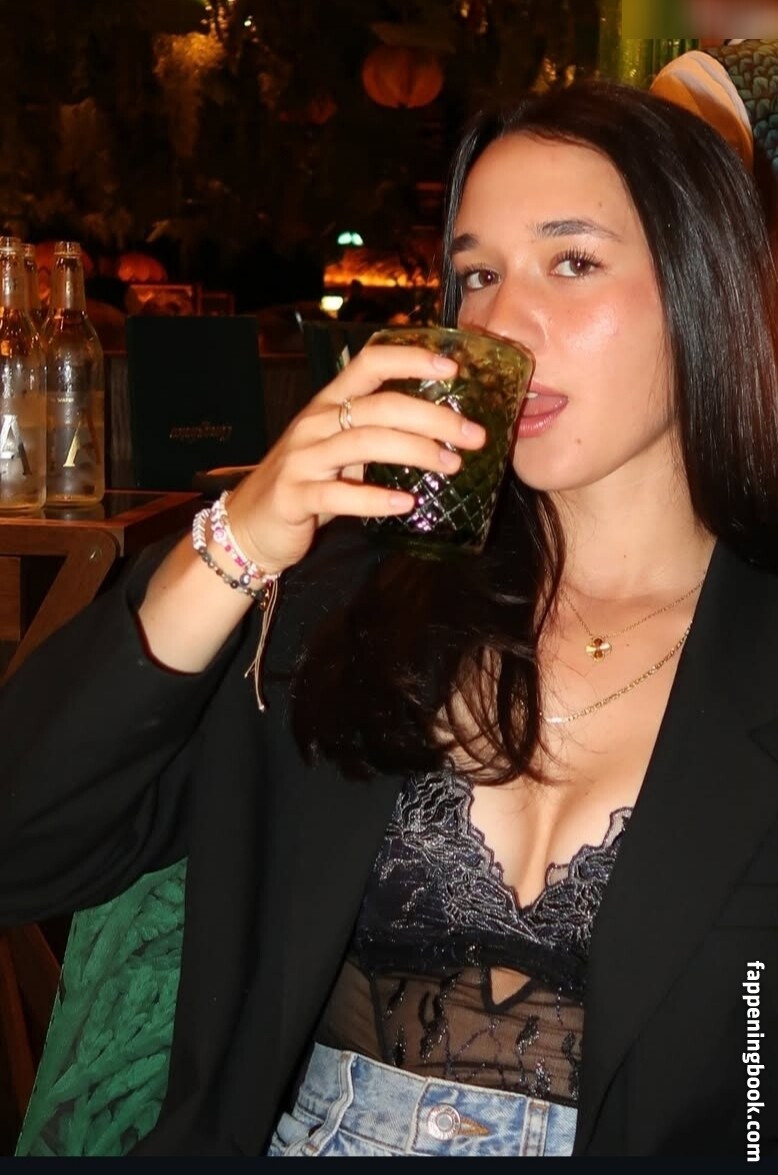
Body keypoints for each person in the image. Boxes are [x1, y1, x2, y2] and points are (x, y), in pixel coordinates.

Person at [1, 78, 777, 1158]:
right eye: (477, 275)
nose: (499, 324)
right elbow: (23, 842)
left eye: (571, 261)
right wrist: (235, 543)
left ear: (706, 285)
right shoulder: (348, 603)